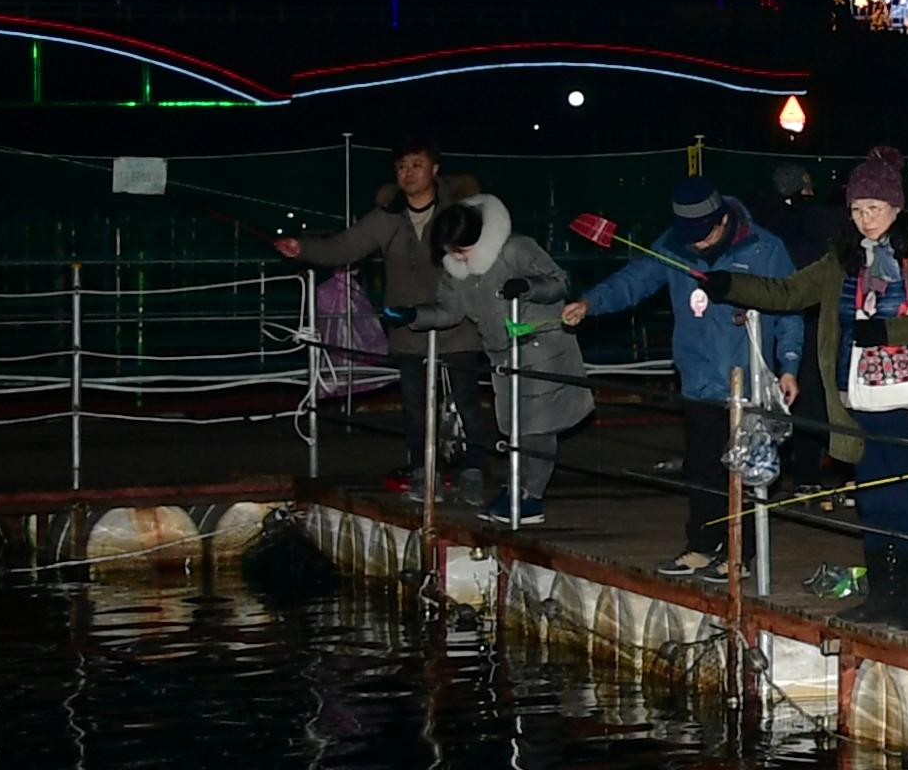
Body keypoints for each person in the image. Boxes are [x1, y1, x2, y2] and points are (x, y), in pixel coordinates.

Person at [705, 147, 908, 625]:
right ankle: (883, 595)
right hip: (858, 393)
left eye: (875, 209)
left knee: (905, 498)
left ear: (897, 206)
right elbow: (789, 292)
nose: (865, 220)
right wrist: (730, 287)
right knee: (872, 498)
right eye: (857, 210)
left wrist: (890, 332)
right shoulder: (842, 257)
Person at [559, 174, 802, 578]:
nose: (697, 242)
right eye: (689, 235)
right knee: (702, 466)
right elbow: (633, 282)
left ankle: (740, 555)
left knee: (746, 467)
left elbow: (791, 308)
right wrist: (589, 303)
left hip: (749, 380)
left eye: (703, 234)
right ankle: (702, 546)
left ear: (723, 220)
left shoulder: (764, 248)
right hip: (698, 377)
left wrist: (789, 366)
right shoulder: (672, 247)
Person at [277, 143, 493, 482]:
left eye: (417, 165)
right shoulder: (386, 218)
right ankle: (423, 468)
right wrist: (303, 247)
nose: (409, 173)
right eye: (402, 166)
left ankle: (474, 467)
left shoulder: (459, 213)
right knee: (414, 404)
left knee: (466, 398)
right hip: (406, 327)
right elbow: (345, 246)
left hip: (458, 324)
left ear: (435, 170)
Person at [411, 194, 592, 526]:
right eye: (450, 251)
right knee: (512, 427)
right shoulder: (458, 270)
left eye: (461, 249)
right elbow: (449, 309)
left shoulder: (516, 249)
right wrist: (414, 315)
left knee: (537, 427)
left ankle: (531, 496)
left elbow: (558, 281)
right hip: (502, 355)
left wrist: (526, 286)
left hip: (541, 347)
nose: (455, 256)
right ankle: (515, 488)